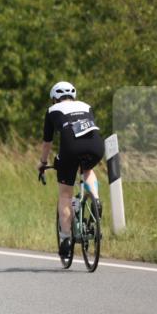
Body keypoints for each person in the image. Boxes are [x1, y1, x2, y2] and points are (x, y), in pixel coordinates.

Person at [37, 81, 104, 259]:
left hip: (71, 147)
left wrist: (42, 163)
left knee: (65, 195)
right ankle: (95, 200)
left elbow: (47, 143)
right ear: (73, 96)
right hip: (96, 145)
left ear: (54, 99)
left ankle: (66, 239)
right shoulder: (86, 106)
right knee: (87, 169)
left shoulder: (52, 110)